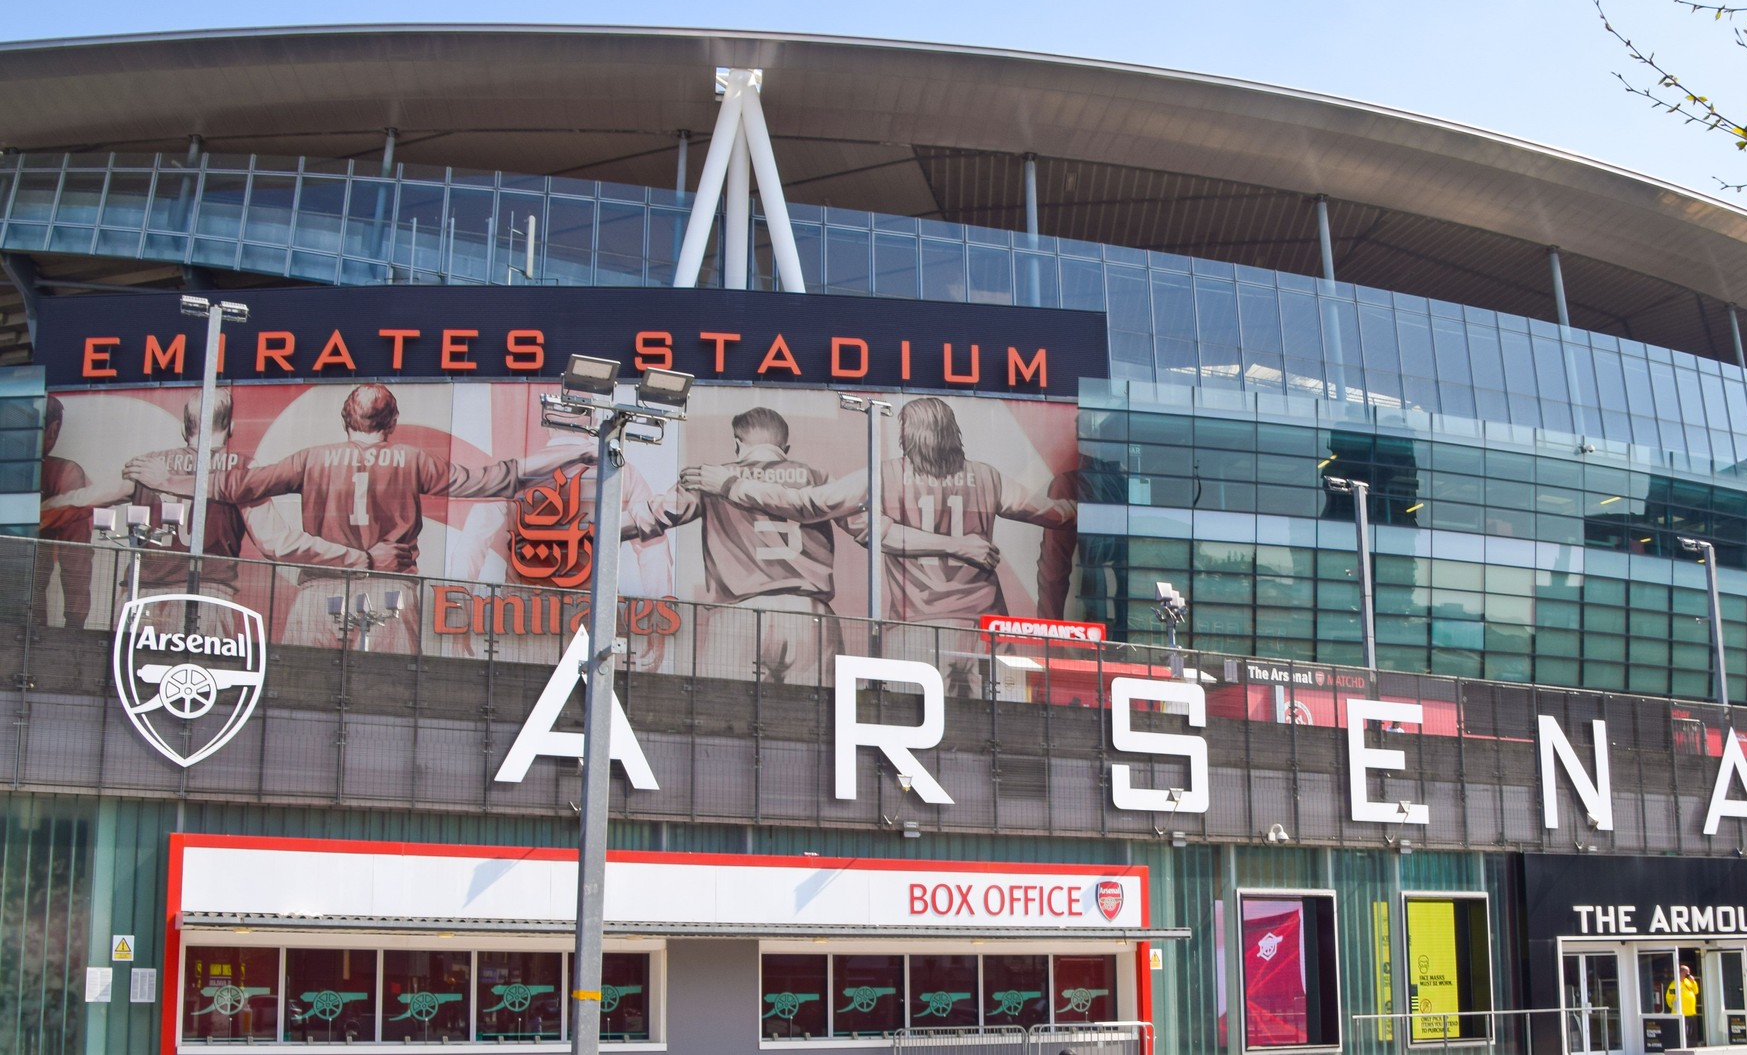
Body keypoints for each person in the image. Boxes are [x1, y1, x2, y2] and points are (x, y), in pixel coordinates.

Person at [125, 383, 590, 651]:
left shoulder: (311, 458)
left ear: (345, 421)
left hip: (319, 591)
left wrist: (170, 478)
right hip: (391, 592)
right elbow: (498, 478)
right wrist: (575, 451)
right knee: (390, 704)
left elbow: (233, 486)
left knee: (300, 703)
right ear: (391, 424)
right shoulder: (412, 460)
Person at [681, 396, 1074, 694]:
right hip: (987, 628)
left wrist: (731, 484)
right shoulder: (989, 478)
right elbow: (1054, 514)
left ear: (909, 434)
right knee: (1004, 733)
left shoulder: (883, 476)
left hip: (915, 630)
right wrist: (1116, 509)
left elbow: (809, 504)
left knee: (910, 728)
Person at [627, 406, 999, 683]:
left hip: (737, 617)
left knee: (724, 723)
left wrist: (590, 529)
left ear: (737, 442)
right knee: (821, 726)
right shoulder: (819, 478)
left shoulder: (708, 478)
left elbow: (648, 518)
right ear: (785, 446)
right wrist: (955, 545)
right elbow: (878, 534)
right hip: (811, 615)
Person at [46, 390, 411, 634]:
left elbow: (79, 500)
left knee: (126, 684)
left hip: (142, 595)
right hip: (209, 596)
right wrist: (359, 558)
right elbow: (278, 544)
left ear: (184, 428)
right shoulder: (242, 472)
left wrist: (30, 509)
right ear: (231, 429)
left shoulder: (148, 466)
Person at [36, 396, 95, 628]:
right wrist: (75, 620)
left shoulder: (59, 473)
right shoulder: (62, 472)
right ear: (53, 429)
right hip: (24, 601)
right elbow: (75, 553)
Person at [1667, 964, 1700, 1045]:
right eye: (1687, 973)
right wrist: (1674, 1007)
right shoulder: (1674, 984)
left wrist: (1693, 982)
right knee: (1683, 1031)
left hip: (1691, 1012)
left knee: (1690, 1031)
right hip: (1681, 1012)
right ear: (1682, 973)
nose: (1688, 974)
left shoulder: (1688, 982)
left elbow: (1696, 991)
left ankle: (1691, 1044)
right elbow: (1669, 998)